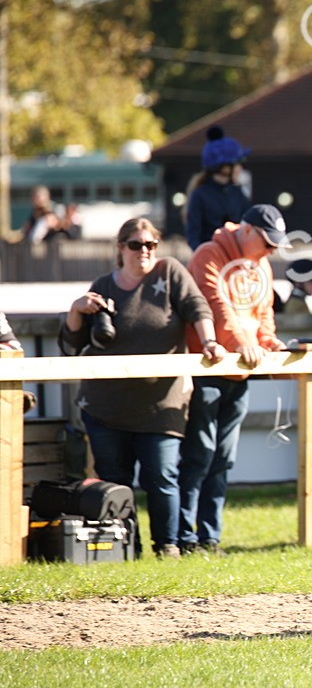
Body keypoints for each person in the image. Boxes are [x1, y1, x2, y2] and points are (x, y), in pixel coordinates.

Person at [58, 218, 226, 558]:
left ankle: (168, 546)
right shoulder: (104, 285)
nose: (144, 251)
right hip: (105, 407)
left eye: (150, 244)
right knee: (115, 481)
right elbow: (71, 346)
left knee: (162, 478)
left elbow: (198, 308)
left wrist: (210, 342)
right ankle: (125, 548)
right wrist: (77, 309)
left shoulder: (170, 273)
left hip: (161, 406)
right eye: (136, 245)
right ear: (121, 249)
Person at [178, 204, 290, 555]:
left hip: (240, 371)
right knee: (199, 454)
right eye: (268, 242)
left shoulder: (262, 266)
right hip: (208, 370)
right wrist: (244, 344)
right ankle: (183, 536)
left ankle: (209, 537)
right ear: (247, 230)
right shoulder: (208, 255)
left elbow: (264, 311)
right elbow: (214, 306)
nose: (271, 250)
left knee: (223, 456)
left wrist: (269, 342)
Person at [185, 126, 252, 250]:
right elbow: (193, 236)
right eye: (238, 163)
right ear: (225, 167)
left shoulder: (238, 193)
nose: (241, 169)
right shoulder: (200, 195)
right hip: (210, 258)